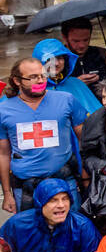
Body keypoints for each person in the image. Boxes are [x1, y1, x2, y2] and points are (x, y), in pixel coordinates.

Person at [0, 57, 87, 213]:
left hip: (65, 182)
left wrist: (86, 175)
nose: (40, 81)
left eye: (43, 75)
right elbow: (3, 154)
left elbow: (85, 141)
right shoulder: (3, 110)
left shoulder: (66, 100)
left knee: (70, 230)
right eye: (33, 77)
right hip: (25, 188)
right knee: (30, 234)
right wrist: (7, 194)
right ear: (17, 81)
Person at [0, 177, 99, 252]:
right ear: (40, 203)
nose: (61, 205)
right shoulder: (17, 224)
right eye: (53, 200)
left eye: (65, 199)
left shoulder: (82, 226)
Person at [32, 38, 101, 120]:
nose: (56, 63)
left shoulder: (76, 83)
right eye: (49, 59)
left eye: (60, 58)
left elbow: (98, 114)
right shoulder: (32, 88)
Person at [60, 18, 106, 89]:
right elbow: (51, 92)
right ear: (64, 37)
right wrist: (75, 84)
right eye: (76, 41)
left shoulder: (104, 54)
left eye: (86, 40)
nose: (82, 45)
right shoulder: (56, 61)